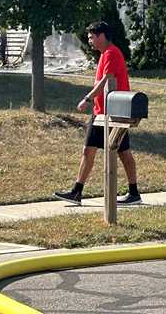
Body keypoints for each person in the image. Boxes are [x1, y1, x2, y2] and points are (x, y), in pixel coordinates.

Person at [54, 22, 141, 205]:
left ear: (101, 36)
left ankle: (134, 193)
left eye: (92, 37)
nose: (90, 41)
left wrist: (87, 98)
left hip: (113, 113)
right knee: (89, 150)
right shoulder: (104, 54)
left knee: (123, 153)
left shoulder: (111, 53)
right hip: (102, 112)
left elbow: (106, 80)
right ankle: (77, 192)